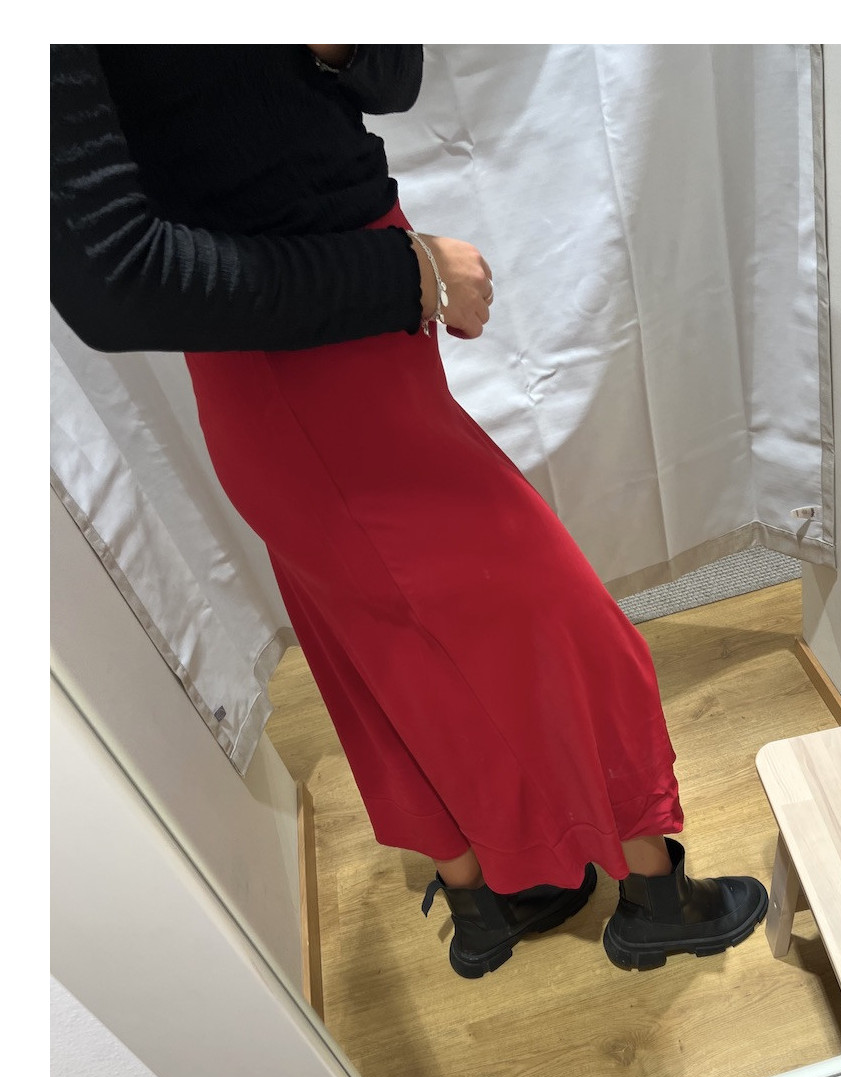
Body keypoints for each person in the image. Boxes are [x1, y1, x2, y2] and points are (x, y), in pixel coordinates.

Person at [50, 43, 768, 979]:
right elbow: (114, 281)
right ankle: (654, 900)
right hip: (300, 361)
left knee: (392, 653)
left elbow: (391, 80)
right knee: (557, 626)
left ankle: (493, 892)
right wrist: (407, 274)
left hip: (335, 349)